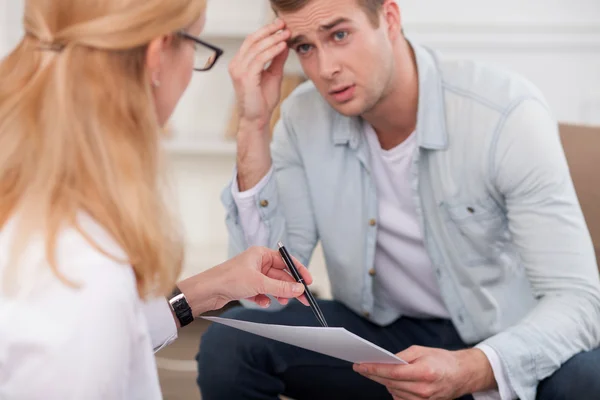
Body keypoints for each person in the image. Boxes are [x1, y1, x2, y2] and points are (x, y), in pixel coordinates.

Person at [196, 0, 600, 399]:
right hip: (386, 338)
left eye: (339, 35)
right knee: (230, 346)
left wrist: (475, 368)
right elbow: (265, 295)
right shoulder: (303, 118)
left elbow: (579, 301)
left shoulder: (503, 113)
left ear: (389, 18)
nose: (324, 68)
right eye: (305, 47)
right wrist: (253, 125)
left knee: (587, 378)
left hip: (504, 339)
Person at [0, 0, 313, 399]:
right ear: (157, 56)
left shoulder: (41, 210)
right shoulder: (85, 270)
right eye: (196, 44)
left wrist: (209, 288)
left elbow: (104, 336)